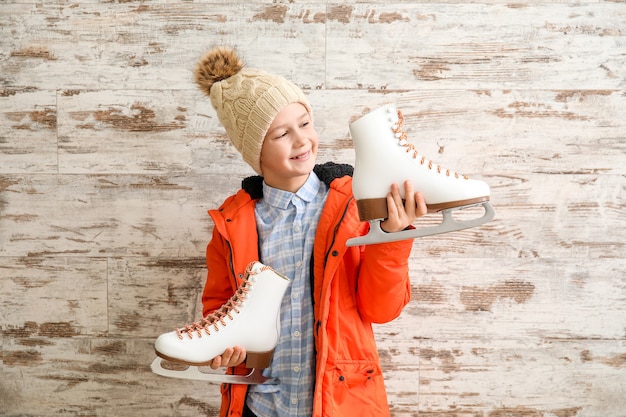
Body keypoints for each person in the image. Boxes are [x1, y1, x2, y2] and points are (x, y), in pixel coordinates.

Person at [194, 46, 427, 417]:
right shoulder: (232, 224)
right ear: (255, 151)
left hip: (343, 404)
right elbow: (221, 312)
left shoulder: (356, 204)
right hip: (260, 406)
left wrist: (391, 237)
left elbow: (380, 309)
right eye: (282, 134)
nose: (302, 140)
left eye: (305, 123)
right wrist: (225, 346)